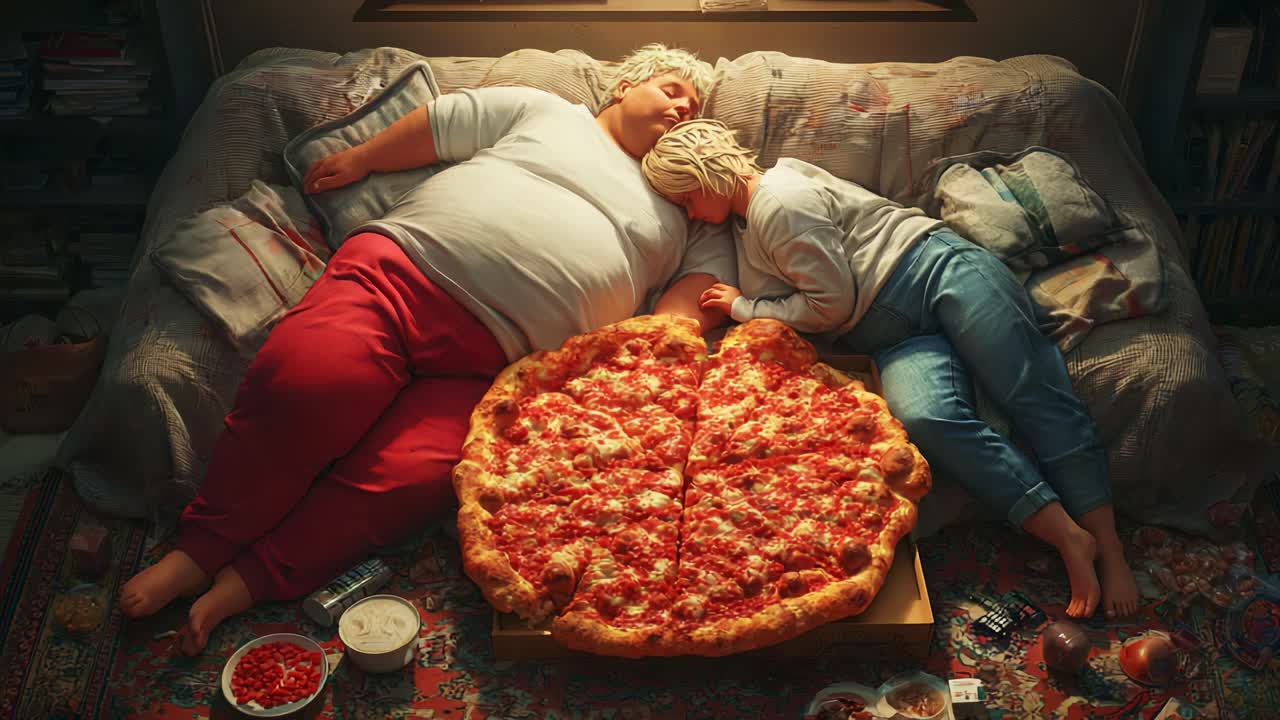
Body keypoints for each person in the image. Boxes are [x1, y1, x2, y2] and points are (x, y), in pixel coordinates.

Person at [119, 45, 735, 654]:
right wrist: (362, 159)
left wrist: (658, 340)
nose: (684, 106)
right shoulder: (551, 114)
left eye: (695, 105)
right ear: (624, 88)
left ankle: (249, 581)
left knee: (411, 479)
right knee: (302, 385)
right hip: (399, 277)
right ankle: (198, 551)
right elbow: (450, 123)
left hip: (499, 365)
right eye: (671, 88)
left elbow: (695, 293)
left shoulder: (691, 206)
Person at [640, 119, 1139, 619]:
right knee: (925, 421)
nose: (690, 214)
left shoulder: (778, 201)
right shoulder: (746, 219)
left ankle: (1110, 549)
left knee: (1031, 391)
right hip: (894, 333)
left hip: (935, 271)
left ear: (704, 176)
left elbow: (831, 305)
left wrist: (744, 308)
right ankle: (1067, 535)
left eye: (685, 198)